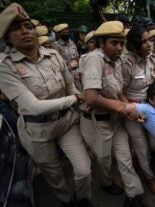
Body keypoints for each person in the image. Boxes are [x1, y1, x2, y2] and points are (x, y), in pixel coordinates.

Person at [0, 3, 94, 207]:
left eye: (28, 26)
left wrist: (81, 101)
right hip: (36, 131)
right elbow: (33, 106)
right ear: (7, 37)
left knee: (84, 169)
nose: (25, 32)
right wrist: (75, 100)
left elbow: (71, 86)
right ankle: (66, 201)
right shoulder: (4, 65)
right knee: (54, 174)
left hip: (66, 123)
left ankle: (83, 199)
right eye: (16, 28)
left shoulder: (53, 55)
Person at [80, 21, 148, 207]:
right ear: (102, 43)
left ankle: (133, 196)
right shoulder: (95, 59)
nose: (119, 47)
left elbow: (118, 92)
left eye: (121, 43)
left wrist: (130, 110)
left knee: (125, 159)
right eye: (114, 43)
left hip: (116, 121)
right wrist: (123, 108)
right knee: (104, 160)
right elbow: (91, 98)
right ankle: (106, 182)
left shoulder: (117, 60)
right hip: (99, 123)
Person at [122, 26, 155, 195]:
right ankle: (149, 177)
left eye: (150, 41)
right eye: (144, 41)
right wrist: (131, 110)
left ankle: (143, 161)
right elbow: (120, 91)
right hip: (133, 110)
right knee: (142, 147)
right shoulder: (126, 64)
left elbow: (152, 82)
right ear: (134, 44)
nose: (148, 45)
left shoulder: (151, 59)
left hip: (151, 108)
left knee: (154, 144)